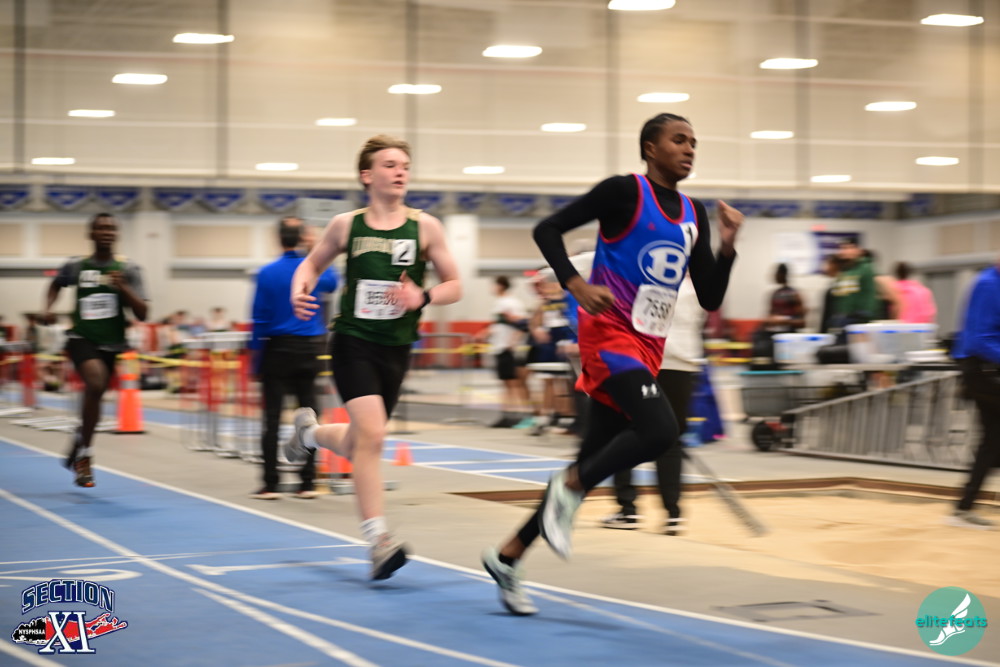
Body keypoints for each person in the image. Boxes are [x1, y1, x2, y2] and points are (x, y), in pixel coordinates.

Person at [481, 113, 743, 615]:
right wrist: (575, 283)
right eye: (679, 140)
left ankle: (507, 557)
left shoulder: (694, 213)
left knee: (594, 456)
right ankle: (569, 487)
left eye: (694, 141)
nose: (689, 148)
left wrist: (728, 245)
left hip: (648, 348)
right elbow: (547, 229)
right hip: (609, 337)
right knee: (660, 431)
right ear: (650, 148)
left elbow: (710, 296)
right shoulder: (623, 192)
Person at [285, 134, 462, 580]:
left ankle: (309, 433)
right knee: (373, 434)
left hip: (396, 348)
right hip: (353, 341)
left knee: (362, 440)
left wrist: (423, 296)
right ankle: (378, 540)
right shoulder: (346, 225)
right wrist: (299, 289)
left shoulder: (426, 227)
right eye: (389, 165)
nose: (400, 172)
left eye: (405, 165)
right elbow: (311, 264)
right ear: (367, 175)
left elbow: (455, 284)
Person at [43, 213, 148, 487]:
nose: (106, 232)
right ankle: (85, 458)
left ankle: (79, 444)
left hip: (112, 344)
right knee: (96, 382)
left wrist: (123, 287)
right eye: (101, 228)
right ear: (91, 234)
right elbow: (55, 284)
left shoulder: (129, 269)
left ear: (117, 234)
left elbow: (143, 312)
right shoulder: (76, 266)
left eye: (111, 228)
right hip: (81, 337)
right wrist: (48, 308)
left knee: (96, 396)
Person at [602, 277, 705, 535]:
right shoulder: (697, 288)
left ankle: (627, 509)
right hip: (682, 365)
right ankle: (673, 514)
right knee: (671, 439)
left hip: (647, 362)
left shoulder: (643, 278)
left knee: (625, 431)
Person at [249, 217, 339, 500]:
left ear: (278, 239)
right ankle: (307, 482)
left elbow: (259, 319)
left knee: (272, 419)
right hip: (310, 350)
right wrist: (316, 249)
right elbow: (334, 281)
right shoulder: (311, 269)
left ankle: (270, 484)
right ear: (301, 238)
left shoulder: (266, 273)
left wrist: (256, 363)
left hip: (278, 349)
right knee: (309, 416)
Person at [948, 257, 1000, 529]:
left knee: (992, 441)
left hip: (986, 367)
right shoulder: (989, 284)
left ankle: (964, 507)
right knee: (992, 440)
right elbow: (981, 339)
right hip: (982, 369)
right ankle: (963, 508)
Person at [480, 276, 531, 428]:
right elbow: (499, 325)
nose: (492, 288)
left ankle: (520, 414)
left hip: (508, 348)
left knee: (514, 383)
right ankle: (508, 414)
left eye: (494, 285)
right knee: (507, 383)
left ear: (501, 286)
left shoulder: (511, 303)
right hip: (500, 346)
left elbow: (523, 324)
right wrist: (485, 334)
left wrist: (513, 342)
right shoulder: (500, 303)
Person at [829, 239, 877, 329]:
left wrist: (864, 316)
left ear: (858, 250)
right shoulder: (843, 271)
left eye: (849, 248)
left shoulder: (865, 268)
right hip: (841, 318)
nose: (845, 251)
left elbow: (870, 293)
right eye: (843, 248)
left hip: (858, 319)